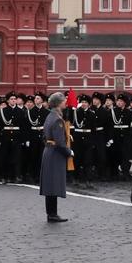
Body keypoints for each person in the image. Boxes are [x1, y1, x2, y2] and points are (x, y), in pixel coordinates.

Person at [40, 92, 72, 223]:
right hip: (55, 154)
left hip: (48, 151)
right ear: (58, 103)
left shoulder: (50, 116)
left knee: (49, 184)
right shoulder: (58, 119)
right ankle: (53, 214)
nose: (65, 102)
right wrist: (68, 152)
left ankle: (51, 213)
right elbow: (59, 141)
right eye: (63, 101)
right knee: (53, 183)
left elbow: (45, 136)